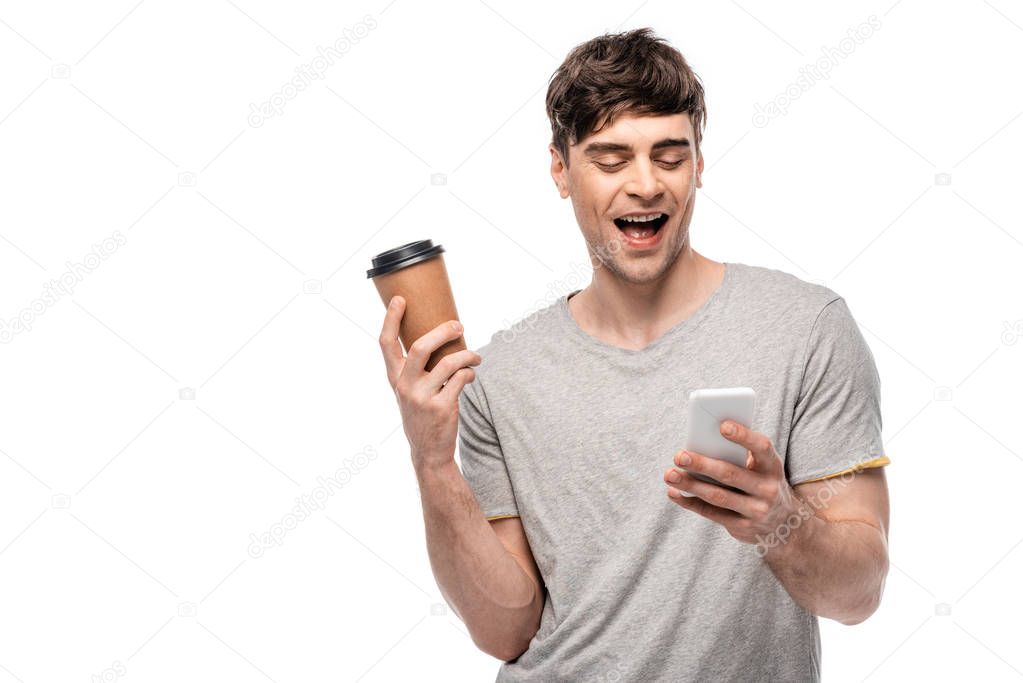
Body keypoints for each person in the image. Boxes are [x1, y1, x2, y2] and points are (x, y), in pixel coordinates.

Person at [377, 27, 891, 682]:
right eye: (611, 159)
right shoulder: (496, 375)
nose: (644, 185)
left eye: (669, 156)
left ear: (700, 163)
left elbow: (857, 595)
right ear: (560, 170)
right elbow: (504, 627)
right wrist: (430, 458)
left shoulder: (805, 329)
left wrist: (779, 521)